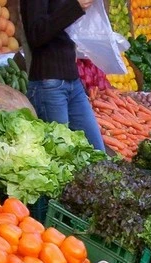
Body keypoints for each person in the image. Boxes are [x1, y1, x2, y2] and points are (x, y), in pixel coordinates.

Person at [20, 0, 106, 150]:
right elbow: (36, 33)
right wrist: (75, 7)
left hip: (72, 81)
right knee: (61, 156)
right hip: (49, 83)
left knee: (97, 152)